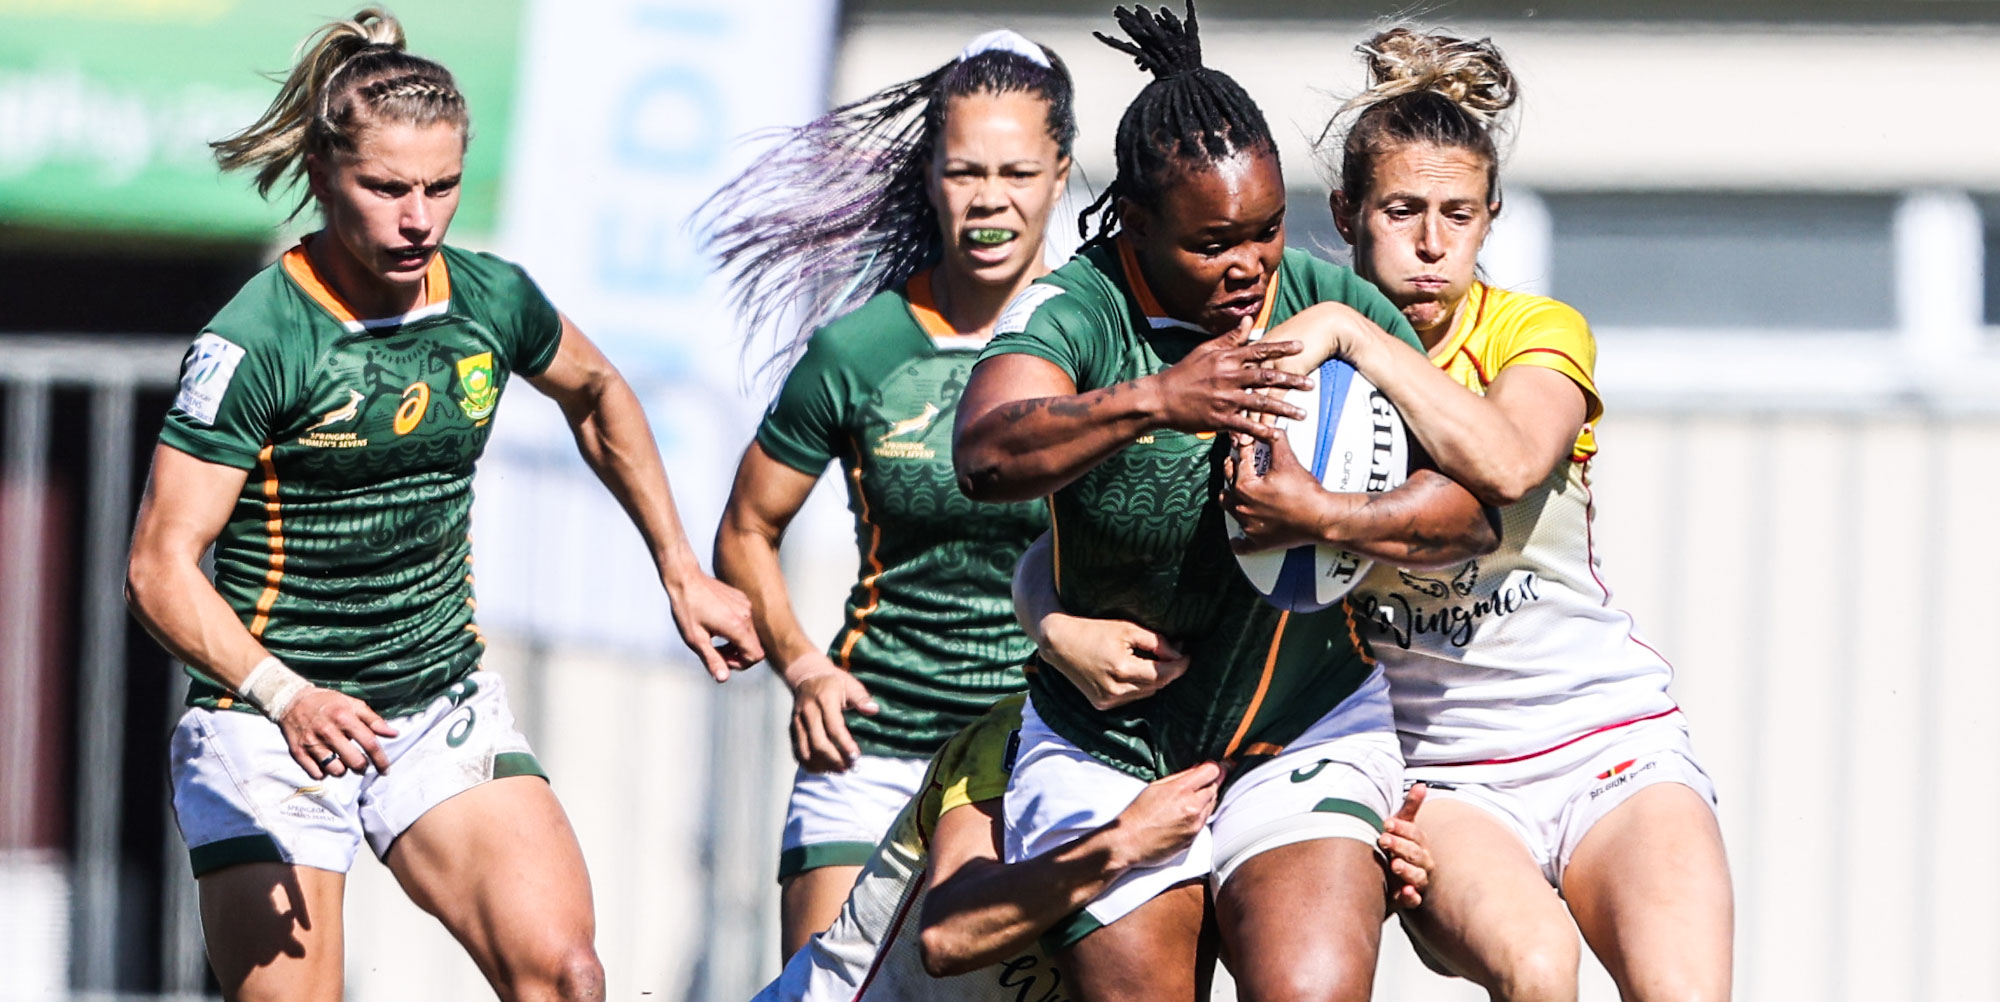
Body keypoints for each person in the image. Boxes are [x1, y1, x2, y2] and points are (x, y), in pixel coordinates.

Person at [123, 11, 760, 1000]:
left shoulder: (489, 300)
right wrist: (286, 695)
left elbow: (596, 393)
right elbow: (157, 568)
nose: (419, 218)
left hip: (432, 708)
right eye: (386, 189)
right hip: (265, 720)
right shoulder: (257, 339)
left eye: (441, 187)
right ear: (328, 176)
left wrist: (679, 567)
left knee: (568, 976)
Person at [951, 5, 1499, 1001]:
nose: (1249, 265)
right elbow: (985, 453)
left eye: (1264, 230)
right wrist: (1158, 399)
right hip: (1108, 751)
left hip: (1306, 725)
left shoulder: (1334, 309)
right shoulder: (1077, 313)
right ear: (1136, 225)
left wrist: (1328, 517)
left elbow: (1471, 513)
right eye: (1212, 243)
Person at [1246, 28, 1733, 1002]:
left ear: (1489, 219)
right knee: (1536, 970)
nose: (1431, 244)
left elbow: (1509, 462)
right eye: (1401, 211)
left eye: (1457, 216)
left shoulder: (1531, 332)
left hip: (1606, 737)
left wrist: (1354, 335)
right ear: (1344, 213)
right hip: (1444, 780)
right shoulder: (1286, 356)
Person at [699, 30, 1075, 957]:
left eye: (1018, 172)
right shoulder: (859, 351)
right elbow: (746, 528)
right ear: (930, 179)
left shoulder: (1096, 340)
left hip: (1048, 744)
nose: (990, 199)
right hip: (873, 746)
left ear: (1061, 174)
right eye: (965, 172)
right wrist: (801, 667)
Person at [758, 695, 1437, 1002]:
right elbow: (949, 938)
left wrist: (1367, 875)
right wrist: (1121, 843)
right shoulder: (1018, 739)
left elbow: (1253, 947)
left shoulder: (1250, 767)